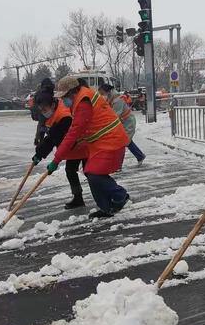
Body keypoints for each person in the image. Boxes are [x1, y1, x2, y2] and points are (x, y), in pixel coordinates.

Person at [47, 76, 130, 219]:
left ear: (72, 92)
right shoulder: (82, 97)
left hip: (111, 141)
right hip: (102, 141)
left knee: (95, 175)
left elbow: (73, 133)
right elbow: (82, 132)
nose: (63, 100)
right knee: (90, 173)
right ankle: (106, 207)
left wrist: (56, 159)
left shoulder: (83, 102)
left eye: (64, 96)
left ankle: (119, 195)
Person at [32, 88, 88, 209]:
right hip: (74, 146)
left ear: (52, 104)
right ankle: (78, 198)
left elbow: (54, 138)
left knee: (91, 173)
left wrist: (53, 160)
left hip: (84, 143)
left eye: (44, 109)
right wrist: (39, 154)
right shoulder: (55, 111)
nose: (43, 112)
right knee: (71, 171)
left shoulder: (64, 116)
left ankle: (111, 194)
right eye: (40, 110)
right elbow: (52, 136)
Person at [98, 84, 146, 165]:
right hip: (123, 122)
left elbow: (115, 116)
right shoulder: (111, 98)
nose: (102, 96)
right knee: (126, 141)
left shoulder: (117, 100)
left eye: (102, 93)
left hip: (128, 122)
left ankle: (118, 164)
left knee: (122, 142)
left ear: (107, 91)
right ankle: (140, 156)